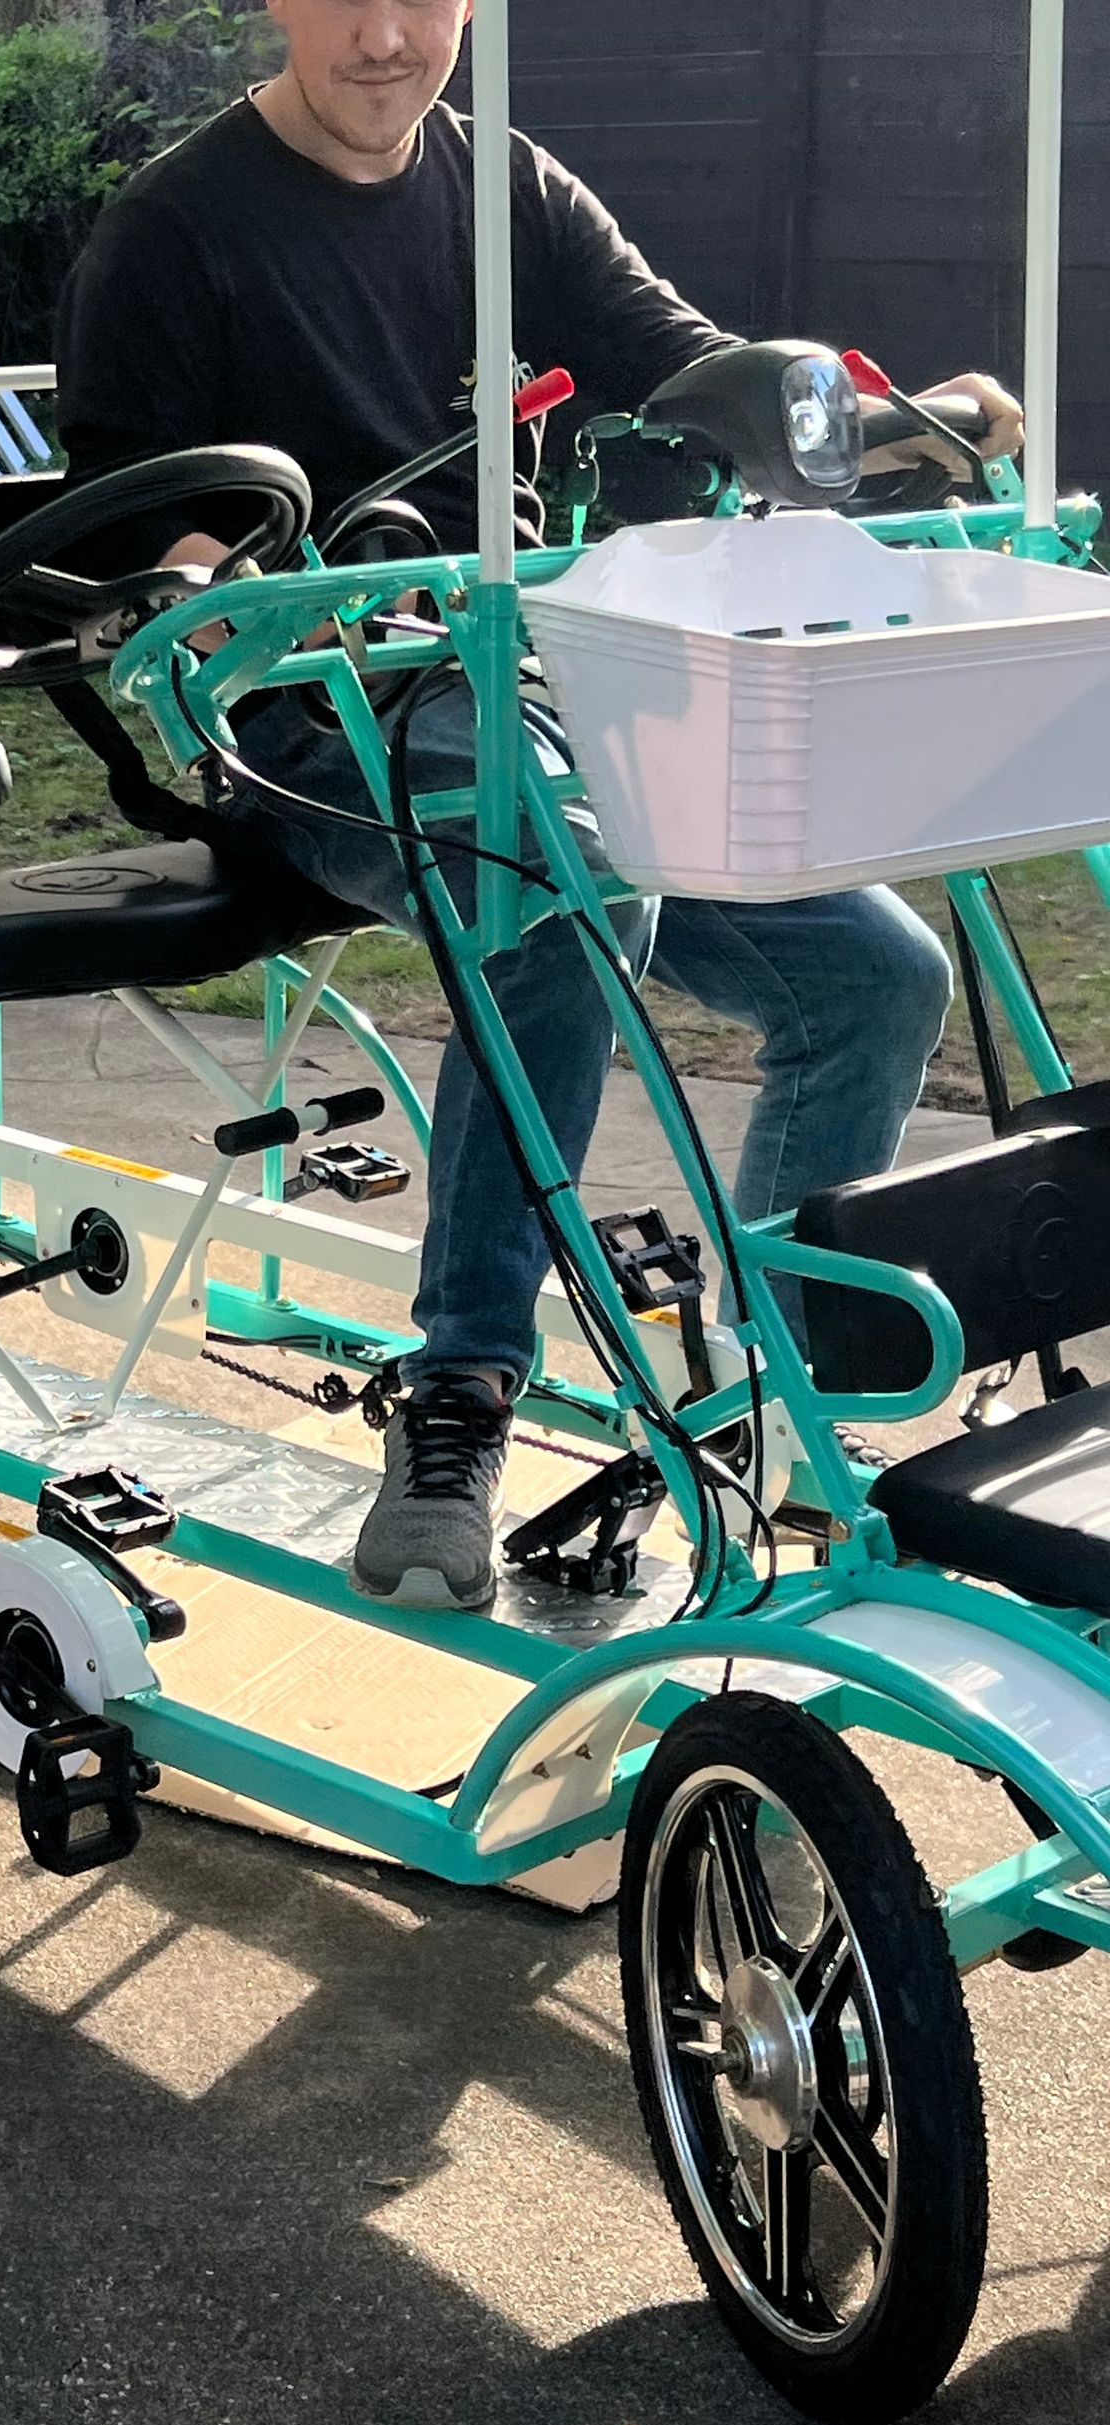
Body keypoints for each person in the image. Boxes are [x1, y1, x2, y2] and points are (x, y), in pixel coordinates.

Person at [55, 0, 1024, 1611]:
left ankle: (784, 1383)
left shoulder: (502, 184)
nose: (383, 38)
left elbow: (682, 363)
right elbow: (139, 524)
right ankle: (462, 1388)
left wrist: (873, 424)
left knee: (880, 977)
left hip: (521, 680)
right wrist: (188, 577)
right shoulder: (176, 228)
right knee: (551, 888)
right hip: (301, 714)